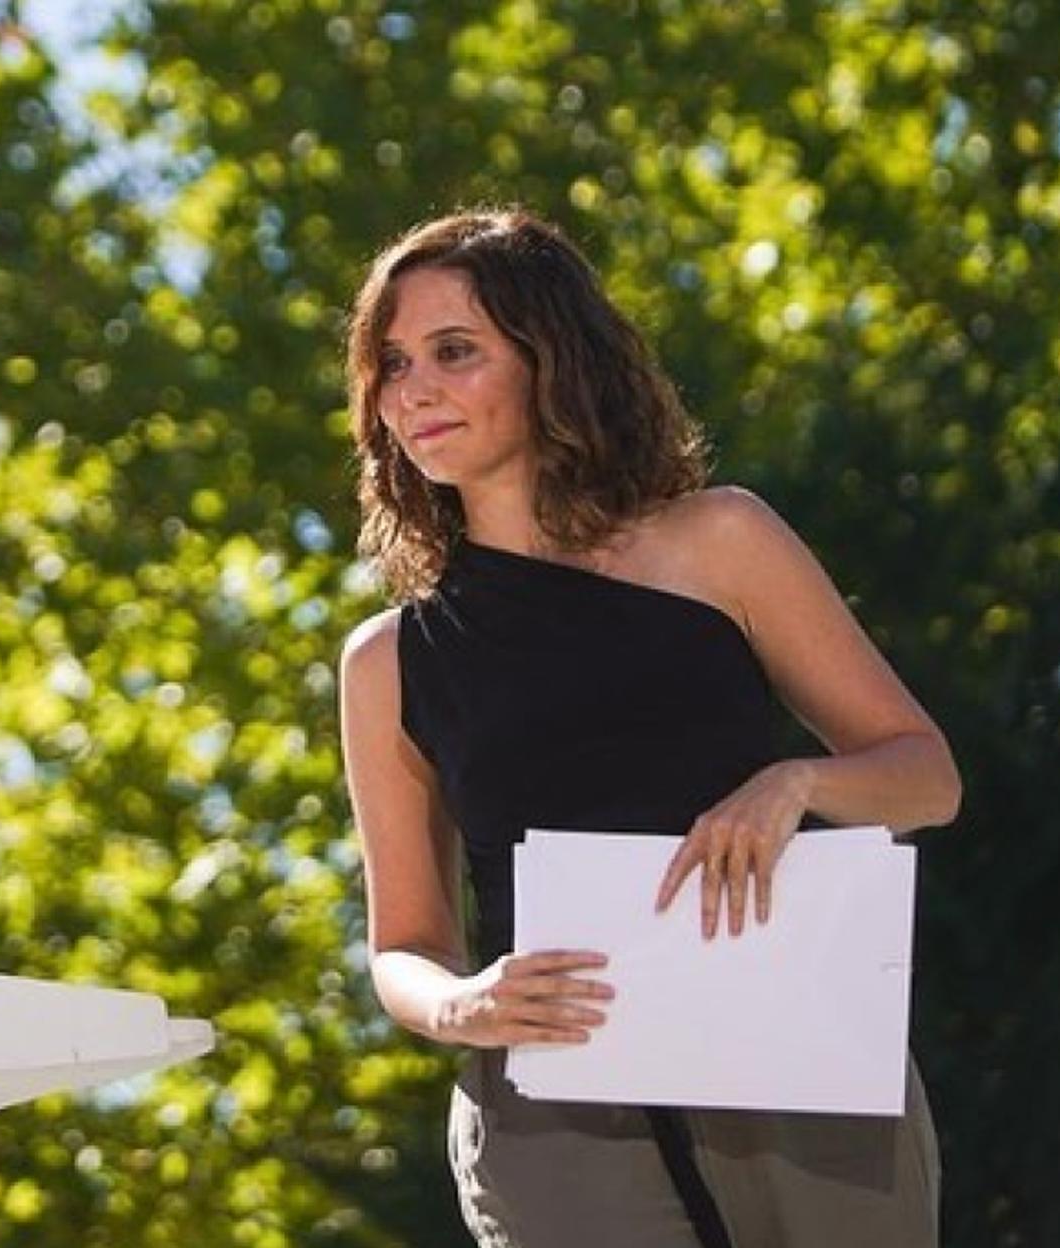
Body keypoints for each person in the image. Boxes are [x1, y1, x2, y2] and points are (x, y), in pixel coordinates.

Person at [339, 207, 961, 1248]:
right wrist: (463, 1008)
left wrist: (796, 785)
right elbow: (405, 944)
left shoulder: (721, 540)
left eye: (455, 351)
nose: (415, 391)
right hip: (553, 1101)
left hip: (799, 1054)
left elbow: (927, 776)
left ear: (552, 360)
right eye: (392, 364)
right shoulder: (386, 661)